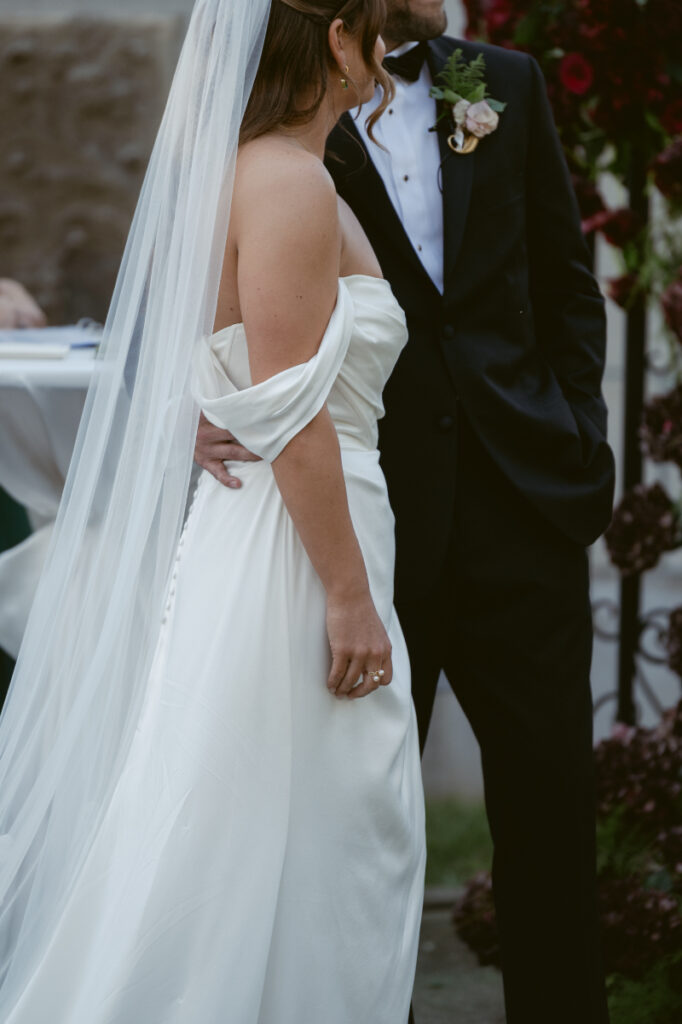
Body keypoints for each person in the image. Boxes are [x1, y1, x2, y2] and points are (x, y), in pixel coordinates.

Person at [0, 2, 425, 1021]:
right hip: (295, 547)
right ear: (334, 42)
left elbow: (220, 373)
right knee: (302, 824)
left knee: (267, 819)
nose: (391, 47)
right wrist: (348, 596)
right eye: (376, 27)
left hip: (284, 530)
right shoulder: (287, 181)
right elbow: (292, 415)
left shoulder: (249, 171)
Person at [195, 1, 617, 1022]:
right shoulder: (291, 118)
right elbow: (216, 275)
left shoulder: (502, 84)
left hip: (525, 510)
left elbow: (565, 286)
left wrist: (577, 442)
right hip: (363, 527)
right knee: (359, 827)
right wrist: (192, 404)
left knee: (550, 819)